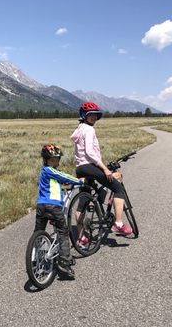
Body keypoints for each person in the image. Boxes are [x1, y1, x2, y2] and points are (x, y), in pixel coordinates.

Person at [70, 102, 133, 246]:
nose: (93, 117)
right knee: (118, 189)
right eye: (90, 115)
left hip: (80, 168)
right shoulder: (89, 130)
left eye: (95, 115)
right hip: (89, 166)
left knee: (83, 201)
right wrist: (104, 168)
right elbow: (90, 152)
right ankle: (118, 223)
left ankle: (80, 237)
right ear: (84, 116)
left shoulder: (80, 128)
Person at [35, 143, 81, 278]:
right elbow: (64, 177)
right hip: (53, 206)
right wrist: (80, 181)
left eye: (56, 160)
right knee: (63, 231)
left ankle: (36, 258)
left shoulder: (43, 172)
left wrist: (61, 185)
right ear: (45, 160)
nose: (55, 162)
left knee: (39, 232)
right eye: (52, 160)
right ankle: (64, 263)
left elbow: (51, 182)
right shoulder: (49, 170)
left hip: (41, 206)